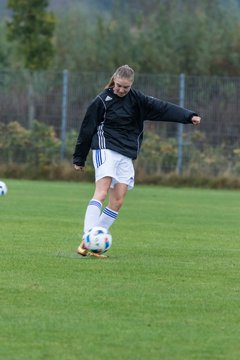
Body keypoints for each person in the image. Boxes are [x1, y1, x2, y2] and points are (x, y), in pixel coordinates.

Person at [73, 65, 201, 258]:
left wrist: (189, 116)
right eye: (118, 85)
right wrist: (79, 157)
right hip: (105, 147)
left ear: (131, 84)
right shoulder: (102, 100)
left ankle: (89, 242)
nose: (121, 90)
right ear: (114, 80)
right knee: (101, 192)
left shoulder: (138, 100)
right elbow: (86, 128)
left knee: (117, 201)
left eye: (126, 87)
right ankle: (88, 235)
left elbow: (163, 108)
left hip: (126, 153)